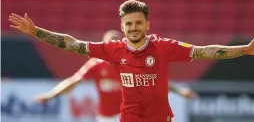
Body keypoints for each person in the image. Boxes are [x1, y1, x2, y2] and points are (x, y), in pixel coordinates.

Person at [9, 0, 254, 122]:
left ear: (147, 23)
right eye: (128, 24)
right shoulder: (111, 52)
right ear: (122, 26)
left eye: (138, 22)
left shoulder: (164, 47)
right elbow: (72, 44)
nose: (133, 27)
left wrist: (242, 49)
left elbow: (204, 50)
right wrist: (37, 32)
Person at [34, 29, 196, 122]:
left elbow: (156, 81)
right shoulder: (96, 65)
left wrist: (180, 91)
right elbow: (74, 81)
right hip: (105, 118)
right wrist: (51, 95)